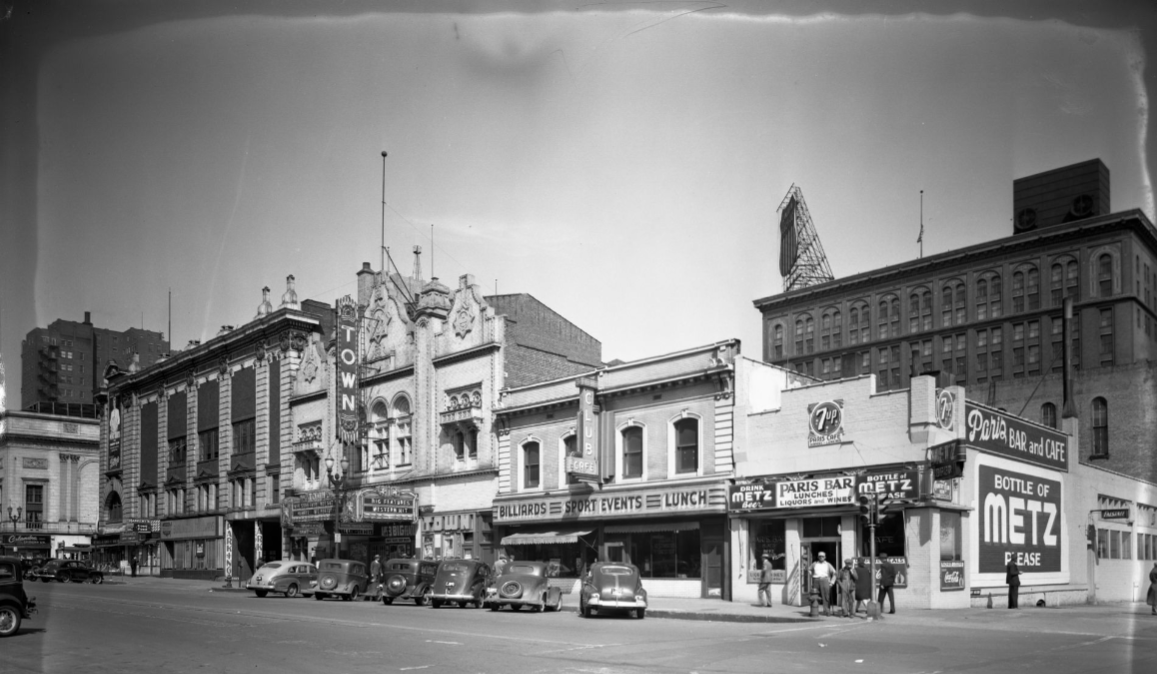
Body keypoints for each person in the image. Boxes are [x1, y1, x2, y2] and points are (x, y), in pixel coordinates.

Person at [810, 551, 837, 616]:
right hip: (816, 580)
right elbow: (809, 569)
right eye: (820, 556)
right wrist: (811, 575)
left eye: (822, 556)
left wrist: (832, 582)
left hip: (825, 580)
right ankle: (814, 611)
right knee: (814, 596)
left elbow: (835, 573)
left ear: (825, 557)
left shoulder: (828, 564)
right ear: (818, 557)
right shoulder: (814, 563)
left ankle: (826, 611)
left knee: (826, 596)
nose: (821, 557)